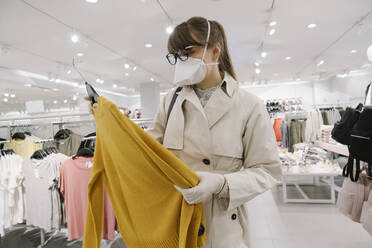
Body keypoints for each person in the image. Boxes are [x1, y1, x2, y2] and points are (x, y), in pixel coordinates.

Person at [147, 17, 282, 248]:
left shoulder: (249, 105)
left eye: (186, 51)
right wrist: (110, 121)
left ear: (215, 52)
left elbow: (267, 171)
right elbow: (147, 151)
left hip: (222, 227)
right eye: (175, 55)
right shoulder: (169, 101)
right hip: (176, 221)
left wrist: (222, 184)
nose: (180, 60)